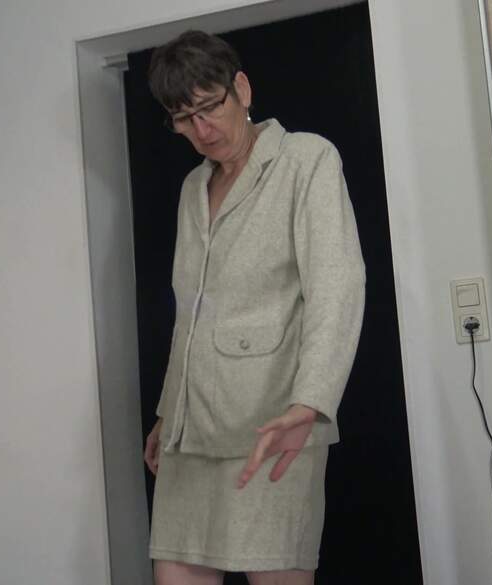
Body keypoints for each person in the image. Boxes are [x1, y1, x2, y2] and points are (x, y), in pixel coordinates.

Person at [141, 30, 366, 585]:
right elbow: (189, 312)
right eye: (183, 119)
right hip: (191, 431)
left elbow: (337, 285)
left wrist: (310, 404)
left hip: (273, 421)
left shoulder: (306, 159)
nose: (202, 130)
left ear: (241, 88)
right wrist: (169, 412)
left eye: (209, 107)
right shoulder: (192, 188)